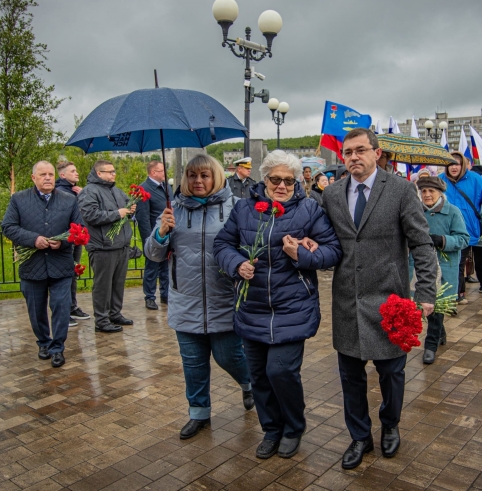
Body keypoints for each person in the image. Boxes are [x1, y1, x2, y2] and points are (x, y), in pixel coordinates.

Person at [320, 128, 437, 469]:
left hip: (390, 304)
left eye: (360, 150)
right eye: (347, 152)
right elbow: (327, 242)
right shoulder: (333, 195)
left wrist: (425, 291)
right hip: (348, 302)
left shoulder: (400, 191)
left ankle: (390, 425)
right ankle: (359, 437)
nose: (353, 157)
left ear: (376, 153)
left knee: (391, 375)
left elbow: (422, 244)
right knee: (350, 378)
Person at [214, 150, 341, 460]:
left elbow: (333, 251)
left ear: (296, 181)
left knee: (281, 370)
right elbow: (222, 245)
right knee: (258, 375)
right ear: (265, 179)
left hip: (293, 306)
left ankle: (294, 427)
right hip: (253, 306)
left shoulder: (309, 210)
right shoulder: (245, 209)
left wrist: (303, 255)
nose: (282, 186)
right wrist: (237, 264)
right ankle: (271, 429)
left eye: (289, 180)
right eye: (275, 179)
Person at [146, 155, 254, 440]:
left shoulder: (236, 208)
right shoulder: (174, 210)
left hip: (225, 299)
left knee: (229, 355)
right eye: (192, 175)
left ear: (216, 176)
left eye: (204, 175)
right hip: (186, 299)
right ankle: (198, 413)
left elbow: (251, 245)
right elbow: (153, 254)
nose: (198, 181)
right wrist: (161, 232)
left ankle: (249, 383)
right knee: (192, 362)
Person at [2, 161, 80, 368]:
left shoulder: (68, 200)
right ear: (33, 178)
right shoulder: (19, 200)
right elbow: (8, 227)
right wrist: (33, 239)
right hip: (32, 265)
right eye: (43, 174)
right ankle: (43, 342)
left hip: (60, 265)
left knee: (61, 307)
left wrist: (62, 241)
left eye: (51, 174)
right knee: (36, 310)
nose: (48, 178)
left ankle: (57, 348)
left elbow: (79, 229)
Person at [78, 160, 136, 333]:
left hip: (120, 245)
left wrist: (132, 208)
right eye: (109, 172)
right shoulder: (89, 192)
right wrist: (117, 214)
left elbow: (127, 208)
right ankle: (101, 319)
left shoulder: (116, 191)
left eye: (114, 171)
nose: (113, 174)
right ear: (98, 173)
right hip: (102, 247)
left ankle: (115, 313)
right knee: (103, 285)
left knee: (118, 282)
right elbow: (90, 215)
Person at [418, 176, 469, 365]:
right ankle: (439, 333)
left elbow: (464, 239)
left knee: (437, 305)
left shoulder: (452, 212)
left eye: (431, 191)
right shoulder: (416, 212)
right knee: (426, 303)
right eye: (423, 191)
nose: (427, 195)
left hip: (444, 267)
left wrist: (443, 240)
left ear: (440, 193)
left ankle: (430, 346)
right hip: (421, 268)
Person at [439, 152, 482, 304]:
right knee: (452, 263)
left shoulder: (476, 179)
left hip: (467, 229)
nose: (454, 167)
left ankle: (458, 292)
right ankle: (456, 293)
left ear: (463, 165)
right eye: (450, 164)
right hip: (445, 229)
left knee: (461, 262)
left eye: (457, 164)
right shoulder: (440, 180)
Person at [55, 161, 90, 326]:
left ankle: (72, 306)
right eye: (73, 171)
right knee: (66, 274)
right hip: (67, 237)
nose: (77, 173)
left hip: (77, 237)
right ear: (63, 175)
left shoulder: (74, 190)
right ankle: (64, 311)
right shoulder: (61, 192)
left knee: (74, 272)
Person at [135, 160, 171, 311]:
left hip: (167, 233)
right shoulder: (144, 189)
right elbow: (142, 218)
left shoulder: (166, 186)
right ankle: (149, 297)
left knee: (166, 267)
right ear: (153, 173)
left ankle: (165, 293)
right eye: (161, 171)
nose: (165, 173)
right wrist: (148, 241)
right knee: (152, 267)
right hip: (153, 235)